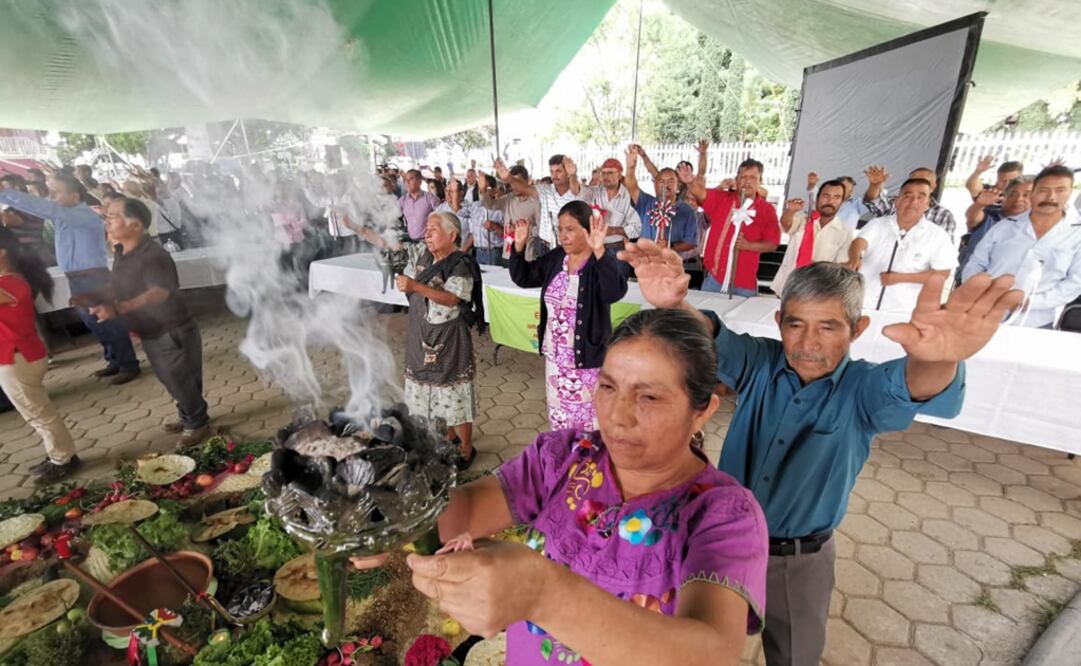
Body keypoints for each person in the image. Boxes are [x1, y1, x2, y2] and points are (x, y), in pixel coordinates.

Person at [620, 240, 1021, 666]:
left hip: (798, 562)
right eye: (795, 324)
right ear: (779, 322)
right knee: (692, 645)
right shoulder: (761, 363)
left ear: (858, 328)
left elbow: (911, 384)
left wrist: (941, 360)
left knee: (793, 655)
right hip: (719, 544)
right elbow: (711, 339)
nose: (808, 342)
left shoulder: (862, 390)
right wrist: (675, 303)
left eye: (828, 327)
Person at [356, 307, 769, 665]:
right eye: (608, 387)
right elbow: (465, 512)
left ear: (703, 412)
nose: (618, 416)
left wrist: (543, 593)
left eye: (649, 398)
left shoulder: (724, 515)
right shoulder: (566, 457)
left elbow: (711, 653)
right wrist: (397, 514)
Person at [86, 198, 210, 446]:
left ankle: (197, 425)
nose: (106, 222)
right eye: (106, 217)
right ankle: (191, 416)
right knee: (174, 379)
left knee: (179, 379)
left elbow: (159, 292)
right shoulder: (123, 251)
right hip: (151, 328)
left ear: (135, 225)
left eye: (112, 216)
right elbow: (120, 283)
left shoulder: (153, 255)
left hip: (170, 328)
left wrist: (119, 308)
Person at [0, 173, 140, 383]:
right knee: (94, 323)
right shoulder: (63, 216)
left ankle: (129, 364)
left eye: (56, 192)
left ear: (74, 196)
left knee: (107, 320)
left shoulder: (82, 215)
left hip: (93, 278)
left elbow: (42, 207)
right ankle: (115, 361)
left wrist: (5, 194)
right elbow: (40, 209)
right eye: (51, 192)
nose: (52, 197)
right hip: (78, 278)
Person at [509, 200, 628, 431]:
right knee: (560, 421)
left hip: (586, 362)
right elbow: (524, 277)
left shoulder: (598, 262)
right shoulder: (556, 258)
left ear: (588, 230)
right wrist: (519, 247)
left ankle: (590, 465)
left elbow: (615, 291)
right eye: (560, 229)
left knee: (588, 424)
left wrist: (600, 251)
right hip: (555, 360)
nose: (563, 235)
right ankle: (566, 463)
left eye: (570, 229)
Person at [398, 211, 479, 466]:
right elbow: (407, 275)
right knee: (428, 391)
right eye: (426, 230)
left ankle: (466, 448)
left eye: (433, 230)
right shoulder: (423, 256)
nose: (427, 234)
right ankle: (448, 438)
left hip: (449, 340)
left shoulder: (460, 263)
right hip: (421, 334)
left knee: (454, 392)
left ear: (452, 234)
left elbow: (453, 298)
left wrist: (414, 287)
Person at [0, 227, 80, 483]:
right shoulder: (12, 279)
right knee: (36, 413)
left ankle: (63, 458)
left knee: (39, 414)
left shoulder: (11, 282)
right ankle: (59, 453)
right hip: (17, 357)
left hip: (18, 360)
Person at [962, 165, 1081, 328]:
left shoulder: (1076, 234)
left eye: (1060, 190)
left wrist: (1029, 302)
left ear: (1070, 193)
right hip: (983, 311)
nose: (1051, 197)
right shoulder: (1005, 226)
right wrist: (980, 291)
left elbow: (1075, 282)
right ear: (1033, 193)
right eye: (1044, 190)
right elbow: (976, 262)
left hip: (1035, 321)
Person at [847, 178, 957, 312]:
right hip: (862, 305)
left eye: (920, 197)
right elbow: (859, 242)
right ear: (897, 201)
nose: (913, 202)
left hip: (902, 311)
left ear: (928, 204)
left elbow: (942, 274)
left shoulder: (937, 235)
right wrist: (855, 257)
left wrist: (900, 278)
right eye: (907, 196)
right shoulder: (878, 224)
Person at [685, 158, 780, 296]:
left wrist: (748, 246)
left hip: (744, 284)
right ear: (737, 179)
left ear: (760, 181)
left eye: (753, 177)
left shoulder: (767, 210)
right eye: (743, 177)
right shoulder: (722, 198)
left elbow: (772, 244)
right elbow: (700, 193)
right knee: (706, 315)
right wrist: (690, 181)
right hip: (714, 279)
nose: (747, 181)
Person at [770, 180, 855, 295]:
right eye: (826, 196)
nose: (830, 201)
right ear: (818, 197)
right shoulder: (803, 219)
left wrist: (813, 266)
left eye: (837, 197)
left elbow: (841, 266)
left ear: (842, 202)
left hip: (818, 292)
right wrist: (790, 211)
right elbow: (786, 225)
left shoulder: (845, 232)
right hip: (788, 286)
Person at [958, 176, 1033, 276]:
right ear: (1004, 197)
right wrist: (979, 204)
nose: (1019, 199)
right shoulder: (990, 215)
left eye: (1026, 195)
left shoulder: (1037, 226)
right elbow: (972, 217)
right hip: (972, 281)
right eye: (1013, 194)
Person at [625, 150, 697, 252]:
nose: (666, 185)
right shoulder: (646, 202)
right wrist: (630, 168)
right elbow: (632, 187)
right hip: (644, 262)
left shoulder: (687, 210)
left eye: (671, 181)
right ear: (655, 184)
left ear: (678, 186)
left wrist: (670, 246)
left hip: (671, 263)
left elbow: (691, 242)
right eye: (661, 181)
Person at [863, 165, 958, 241]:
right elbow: (874, 203)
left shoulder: (944, 215)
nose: (917, 185)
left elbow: (944, 250)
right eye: (913, 181)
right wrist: (875, 186)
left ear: (933, 186)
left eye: (924, 182)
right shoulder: (896, 202)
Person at [480, 161, 543, 261]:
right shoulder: (509, 198)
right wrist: (483, 191)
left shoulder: (536, 202)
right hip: (507, 256)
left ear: (527, 181)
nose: (514, 186)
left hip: (528, 258)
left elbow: (542, 230)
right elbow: (490, 205)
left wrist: (522, 230)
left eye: (517, 182)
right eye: (511, 183)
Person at [585, 156, 641, 254]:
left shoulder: (628, 197)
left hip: (617, 249)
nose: (606, 176)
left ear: (619, 175)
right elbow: (578, 192)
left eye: (610, 173)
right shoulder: (595, 192)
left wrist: (613, 231)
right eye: (604, 173)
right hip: (593, 248)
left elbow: (637, 228)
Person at [530, 155, 583, 254]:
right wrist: (509, 178)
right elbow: (526, 189)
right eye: (552, 172)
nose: (554, 175)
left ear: (568, 172)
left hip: (569, 246)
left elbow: (576, 190)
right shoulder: (546, 190)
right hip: (546, 246)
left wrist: (573, 175)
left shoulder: (579, 192)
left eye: (558, 171)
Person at [436, 178, 486, 255]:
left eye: (452, 191)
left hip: (464, 252)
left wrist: (463, 250)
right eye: (446, 191)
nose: (448, 194)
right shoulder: (441, 208)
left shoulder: (470, 208)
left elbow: (473, 233)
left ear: (461, 193)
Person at [399, 169, 442, 242]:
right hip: (411, 241)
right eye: (406, 179)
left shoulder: (430, 198)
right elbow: (392, 217)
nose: (407, 182)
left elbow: (442, 219)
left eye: (411, 179)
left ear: (420, 181)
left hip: (429, 241)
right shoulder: (403, 200)